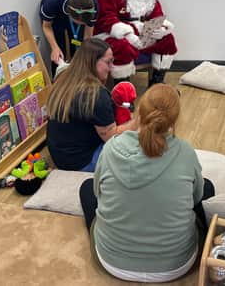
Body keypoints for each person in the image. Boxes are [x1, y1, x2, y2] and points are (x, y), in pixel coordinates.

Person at [78, 84, 215, 282]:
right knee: (207, 187)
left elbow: (98, 193)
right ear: (174, 120)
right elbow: (195, 198)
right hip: (177, 265)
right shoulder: (185, 152)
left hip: (112, 261)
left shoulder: (110, 148)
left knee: (86, 189)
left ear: (139, 112)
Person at [46, 38, 135, 172]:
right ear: (92, 62)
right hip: (82, 163)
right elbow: (113, 139)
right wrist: (140, 119)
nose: (111, 67)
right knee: (137, 146)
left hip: (60, 157)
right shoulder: (96, 94)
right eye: (108, 62)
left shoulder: (63, 79)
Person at [94, 0, 177, 86]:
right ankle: (122, 89)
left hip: (141, 33)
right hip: (111, 34)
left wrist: (161, 29)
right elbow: (106, 18)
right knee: (122, 47)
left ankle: (156, 83)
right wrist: (127, 34)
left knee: (167, 39)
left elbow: (157, 14)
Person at [39, 0, 98, 74]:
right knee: (58, 48)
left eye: (83, 24)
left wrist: (84, 57)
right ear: (69, 15)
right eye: (78, 23)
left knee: (79, 45)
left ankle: (77, 76)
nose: (80, 25)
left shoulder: (92, 6)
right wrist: (54, 48)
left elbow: (87, 37)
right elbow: (46, 27)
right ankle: (57, 80)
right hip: (57, 9)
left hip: (78, 8)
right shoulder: (53, 1)